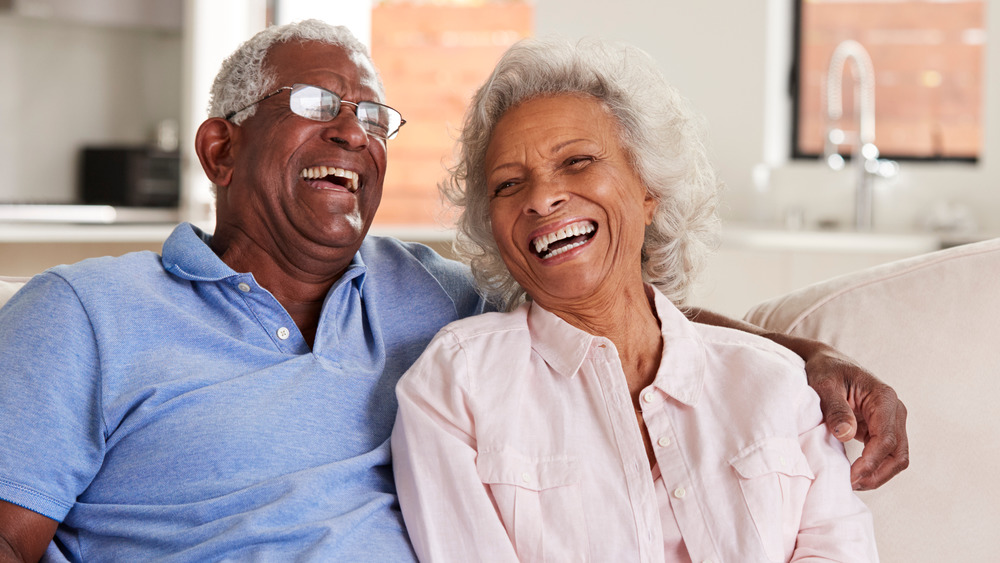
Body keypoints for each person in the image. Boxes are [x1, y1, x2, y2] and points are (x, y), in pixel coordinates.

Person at [0, 20, 900, 562]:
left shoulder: (430, 298)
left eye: (371, 117)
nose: (353, 133)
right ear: (219, 149)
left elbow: (607, 309)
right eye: (317, 105)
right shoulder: (84, 313)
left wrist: (807, 357)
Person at [391, 37, 879, 561]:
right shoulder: (457, 383)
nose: (541, 198)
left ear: (648, 191)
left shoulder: (777, 385)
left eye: (577, 161)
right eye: (508, 184)